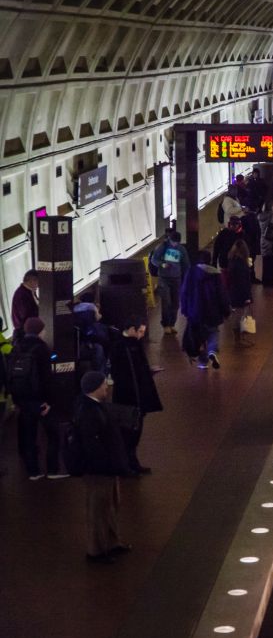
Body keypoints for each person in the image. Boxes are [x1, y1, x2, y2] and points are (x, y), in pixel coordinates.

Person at [76, 371, 133, 563]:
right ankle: (96, 551)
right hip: (99, 470)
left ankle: (111, 542)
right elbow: (92, 445)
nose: (107, 387)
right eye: (103, 385)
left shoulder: (94, 406)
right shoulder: (89, 412)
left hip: (107, 468)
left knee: (109, 506)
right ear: (95, 388)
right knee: (98, 510)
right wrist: (108, 464)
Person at [108, 317, 162, 475]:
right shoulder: (125, 347)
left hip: (132, 396)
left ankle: (131, 462)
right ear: (131, 329)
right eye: (140, 331)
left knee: (132, 431)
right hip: (132, 398)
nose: (141, 335)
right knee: (130, 432)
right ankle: (129, 463)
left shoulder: (123, 345)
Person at [9, 317, 60, 480]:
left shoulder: (16, 346)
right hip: (40, 400)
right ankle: (53, 470)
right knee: (53, 435)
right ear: (39, 331)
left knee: (28, 436)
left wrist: (16, 400)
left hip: (22, 399)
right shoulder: (41, 348)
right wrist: (49, 402)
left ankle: (33, 471)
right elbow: (46, 378)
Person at [180, 250, 231, 369]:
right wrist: (226, 310)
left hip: (194, 310)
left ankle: (203, 362)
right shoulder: (216, 274)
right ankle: (212, 351)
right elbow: (221, 294)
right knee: (213, 332)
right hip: (212, 310)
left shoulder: (191, 272)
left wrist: (184, 308)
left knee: (199, 335)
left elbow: (184, 292)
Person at [149, 231, 189, 335]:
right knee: (166, 301)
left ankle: (172, 324)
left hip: (176, 278)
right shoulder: (163, 247)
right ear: (169, 240)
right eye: (173, 242)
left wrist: (187, 277)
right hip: (164, 278)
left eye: (177, 243)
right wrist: (161, 264)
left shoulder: (181, 249)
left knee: (175, 302)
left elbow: (186, 264)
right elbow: (154, 259)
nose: (175, 244)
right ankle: (166, 324)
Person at [225, 239, 253, 341]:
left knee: (238, 316)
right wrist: (247, 296)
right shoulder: (241, 264)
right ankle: (238, 339)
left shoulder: (232, 262)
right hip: (240, 294)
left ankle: (239, 338)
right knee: (240, 317)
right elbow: (243, 282)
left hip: (233, 292)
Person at [11, 270, 40, 340]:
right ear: (32, 281)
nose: (39, 285)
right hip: (25, 333)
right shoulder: (21, 295)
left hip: (29, 330)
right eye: (38, 282)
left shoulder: (30, 291)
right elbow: (26, 316)